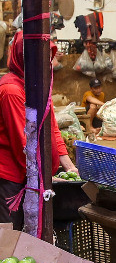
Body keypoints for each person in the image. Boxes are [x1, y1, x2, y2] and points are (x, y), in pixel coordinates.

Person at [0, 32, 77, 229]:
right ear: (23, 59)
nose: (45, 66)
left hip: (30, 170)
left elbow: (52, 127)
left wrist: (68, 166)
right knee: (11, 233)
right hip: (11, 175)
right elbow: (23, 143)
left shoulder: (37, 87)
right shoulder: (11, 91)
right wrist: (45, 177)